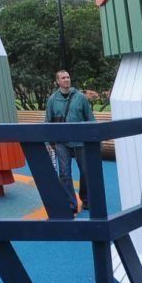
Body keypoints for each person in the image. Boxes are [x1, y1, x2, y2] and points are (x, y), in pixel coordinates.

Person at [45, 69, 95, 214]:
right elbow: (48, 121)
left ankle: (86, 199)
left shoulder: (80, 98)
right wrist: (47, 143)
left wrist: (93, 138)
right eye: (63, 78)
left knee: (85, 171)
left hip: (80, 141)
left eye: (68, 77)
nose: (66, 79)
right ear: (57, 81)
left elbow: (90, 119)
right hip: (61, 142)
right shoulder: (52, 100)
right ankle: (71, 203)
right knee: (64, 173)